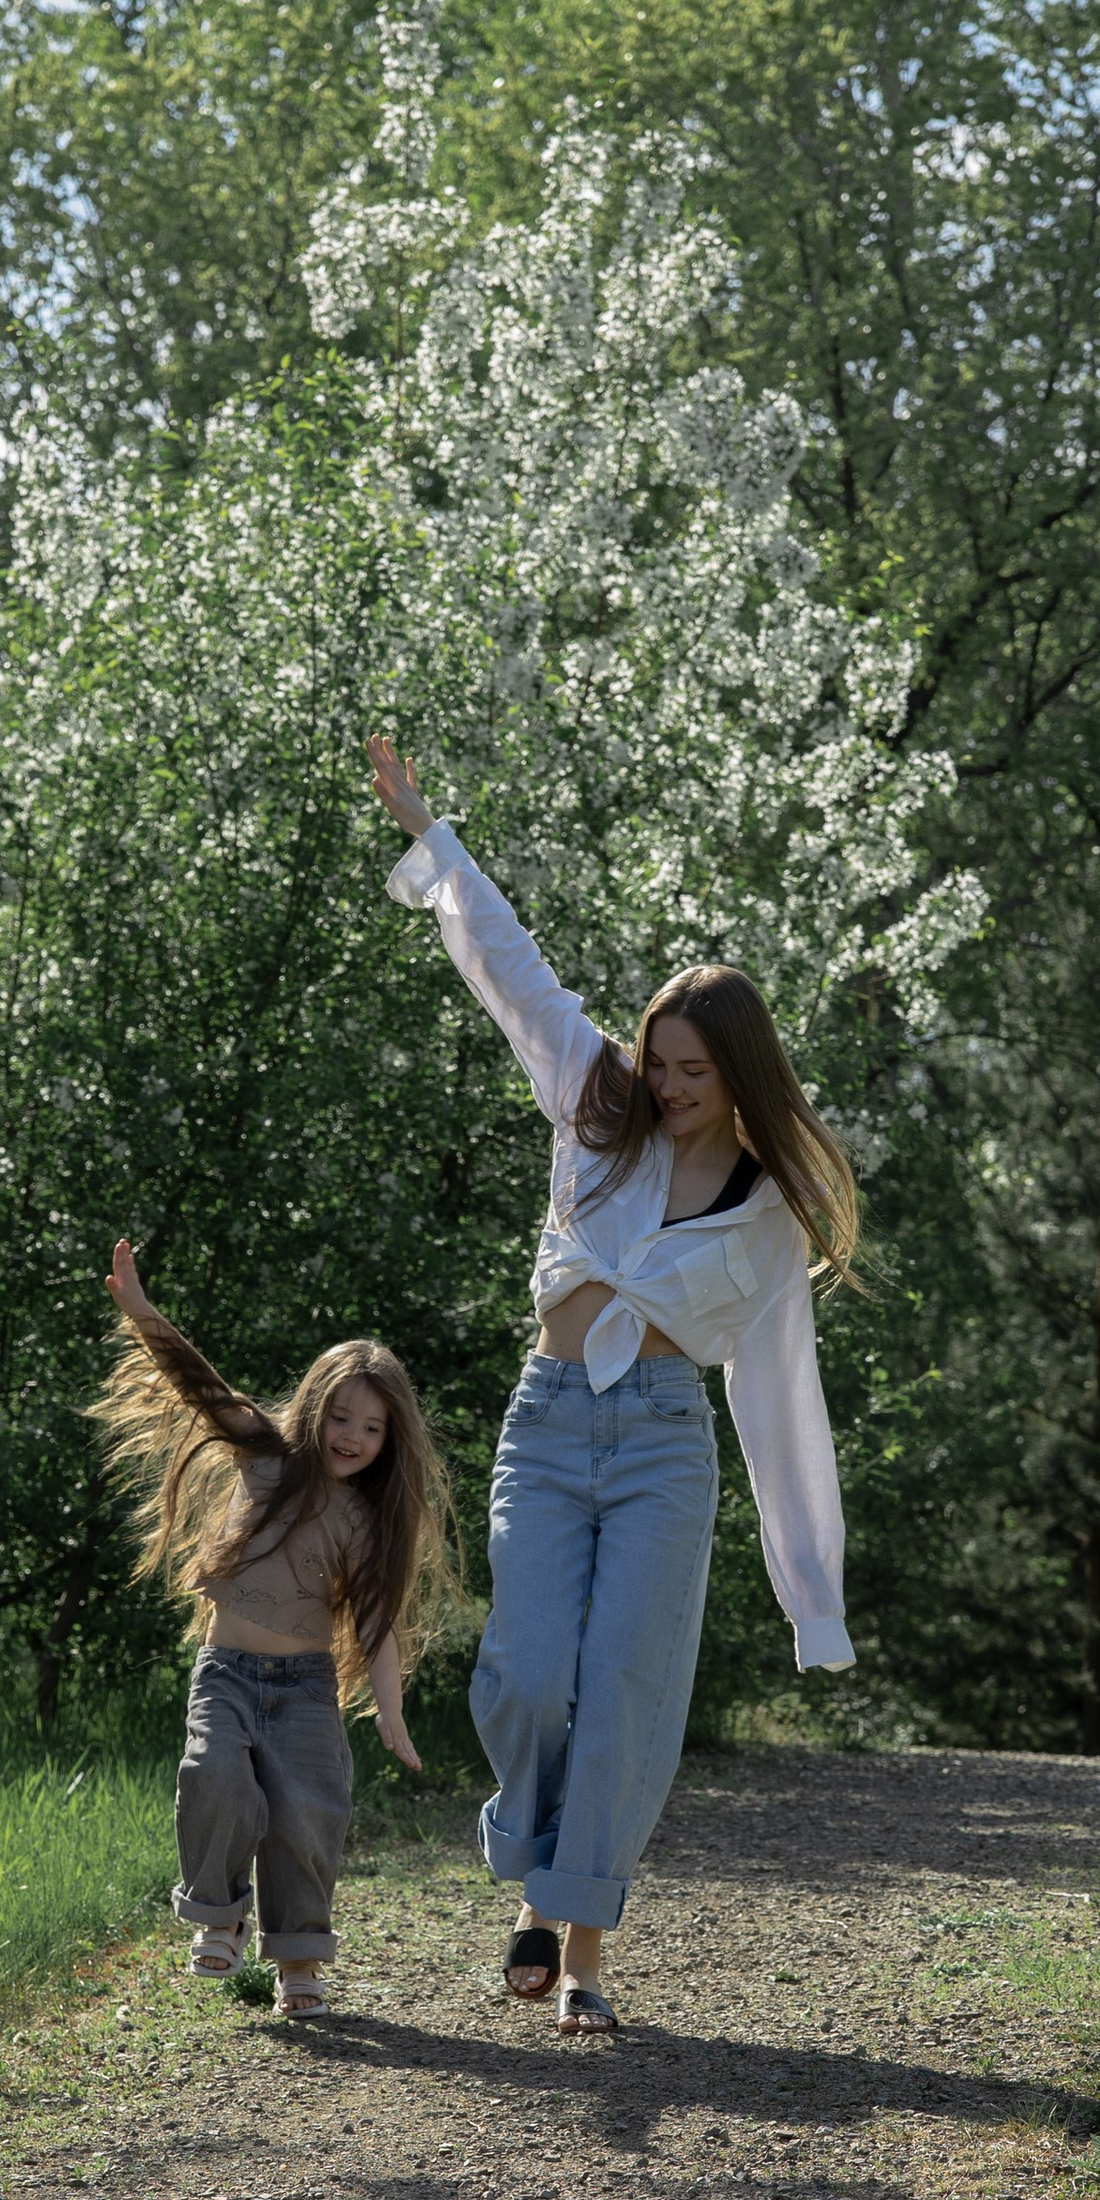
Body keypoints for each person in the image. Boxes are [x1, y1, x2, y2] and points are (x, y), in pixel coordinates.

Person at [367, 731, 857, 2034]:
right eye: (662, 1061)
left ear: (739, 1076)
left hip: (658, 1444)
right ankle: (540, 1875)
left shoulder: (765, 1214)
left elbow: (782, 1402)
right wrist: (432, 839)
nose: (671, 1088)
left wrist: (812, 1592)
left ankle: (569, 1945)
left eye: (697, 1073)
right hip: (546, 1425)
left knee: (627, 1690)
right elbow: (513, 975)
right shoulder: (593, 1102)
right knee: (526, 1676)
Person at [92, 1240, 455, 2018]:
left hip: (304, 1690)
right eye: (341, 1416)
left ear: (390, 1443)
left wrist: (389, 1712)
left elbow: (378, 1622)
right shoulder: (262, 1456)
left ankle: (298, 1958)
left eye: (372, 1428)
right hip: (225, 1671)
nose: (353, 1436)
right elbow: (198, 1385)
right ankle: (219, 1911)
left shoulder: (364, 1522)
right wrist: (142, 1312)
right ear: (314, 1405)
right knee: (212, 1778)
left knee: (306, 1816)